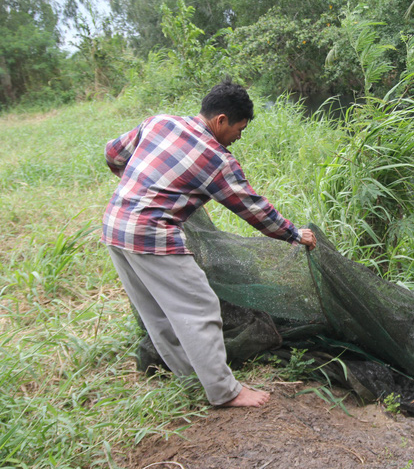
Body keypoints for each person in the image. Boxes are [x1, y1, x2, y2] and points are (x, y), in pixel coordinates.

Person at [102, 78, 316, 408]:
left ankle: (189, 378)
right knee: (200, 307)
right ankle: (224, 391)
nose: (239, 137)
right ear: (220, 121)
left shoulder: (160, 122)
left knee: (158, 313)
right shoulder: (217, 160)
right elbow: (254, 209)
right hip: (151, 235)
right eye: (239, 129)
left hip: (115, 226)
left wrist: (141, 183)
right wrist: (293, 233)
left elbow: (113, 153)